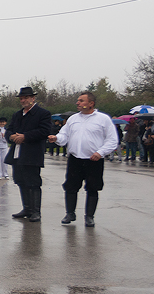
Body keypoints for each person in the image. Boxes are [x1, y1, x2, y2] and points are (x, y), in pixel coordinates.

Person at [48, 91, 119, 227]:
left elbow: (112, 140)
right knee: (70, 187)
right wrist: (56, 138)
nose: (77, 103)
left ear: (91, 103)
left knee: (93, 187)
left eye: (81, 101)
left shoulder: (103, 119)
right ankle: (70, 213)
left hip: (94, 159)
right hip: (75, 158)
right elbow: (64, 135)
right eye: (78, 100)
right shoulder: (73, 119)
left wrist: (101, 152)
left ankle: (89, 216)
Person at [4, 86, 53, 222]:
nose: (23, 100)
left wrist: (25, 136)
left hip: (32, 153)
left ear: (33, 98)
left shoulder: (42, 114)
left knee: (33, 181)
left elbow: (44, 131)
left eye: (26, 97)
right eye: (21, 98)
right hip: (17, 153)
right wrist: (11, 137)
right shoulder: (17, 115)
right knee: (20, 180)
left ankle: (36, 211)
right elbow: (9, 130)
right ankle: (27, 208)